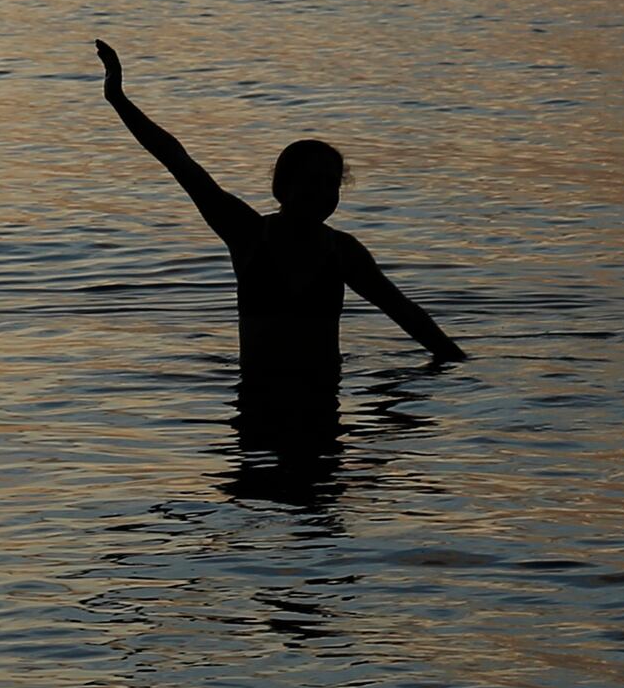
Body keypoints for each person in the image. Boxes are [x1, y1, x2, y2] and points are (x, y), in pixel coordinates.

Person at [92, 41, 462, 432]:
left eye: (330, 184)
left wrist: (456, 363)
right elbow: (176, 159)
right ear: (282, 187)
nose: (321, 193)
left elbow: (406, 314)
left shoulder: (343, 251)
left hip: (322, 400)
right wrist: (117, 96)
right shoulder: (248, 233)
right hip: (258, 400)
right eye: (310, 183)